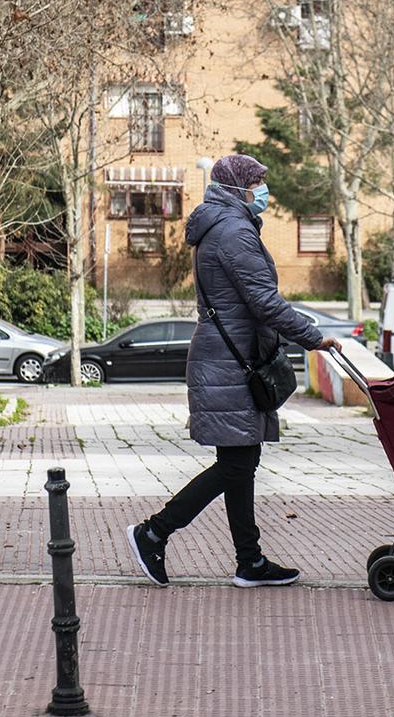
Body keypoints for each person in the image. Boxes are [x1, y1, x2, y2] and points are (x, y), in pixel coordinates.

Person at [129, 153, 342, 589]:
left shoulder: (226, 226)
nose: (263, 191)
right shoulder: (233, 231)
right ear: (237, 189)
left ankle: (250, 561)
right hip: (231, 363)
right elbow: (263, 301)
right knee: (236, 466)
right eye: (257, 183)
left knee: (241, 463)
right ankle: (153, 532)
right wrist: (312, 336)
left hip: (230, 359)